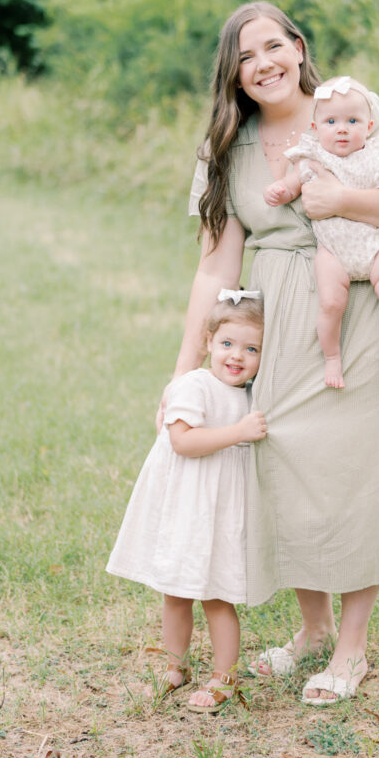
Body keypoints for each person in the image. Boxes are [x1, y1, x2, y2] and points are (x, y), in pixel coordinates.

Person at [161, 0, 379, 707]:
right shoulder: (226, 146)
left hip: (362, 304)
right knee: (286, 461)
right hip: (276, 314)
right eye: (245, 55)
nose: (262, 63)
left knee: (355, 467)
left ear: (298, 48)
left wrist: (340, 202)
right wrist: (183, 375)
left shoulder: (353, 110)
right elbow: (215, 268)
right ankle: (314, 629)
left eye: (273, 46)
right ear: (232, 72)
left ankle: (352, 650)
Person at [107, 291, 267, 712]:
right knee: (175, 592)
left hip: (219, 511)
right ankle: (174, 667)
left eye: (252, 349)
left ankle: (224, 677)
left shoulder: (250, 396)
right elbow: (183, 442)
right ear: (209, 342)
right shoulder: (194, 384)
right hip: (184, 506)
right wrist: (240, 432)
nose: (237, 356)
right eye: (228, 344)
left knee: (217, 594)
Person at [264, 74, 379, 388]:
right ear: (315, 129)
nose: (342, 128)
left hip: (375, 241)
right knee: (331, 303)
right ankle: (332, 358)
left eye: (352, 120)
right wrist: (281, 189)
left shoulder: (377, 154)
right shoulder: (314, 157)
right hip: (332, 249)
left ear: (369, 127)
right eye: (331, 121)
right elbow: (294, 182)